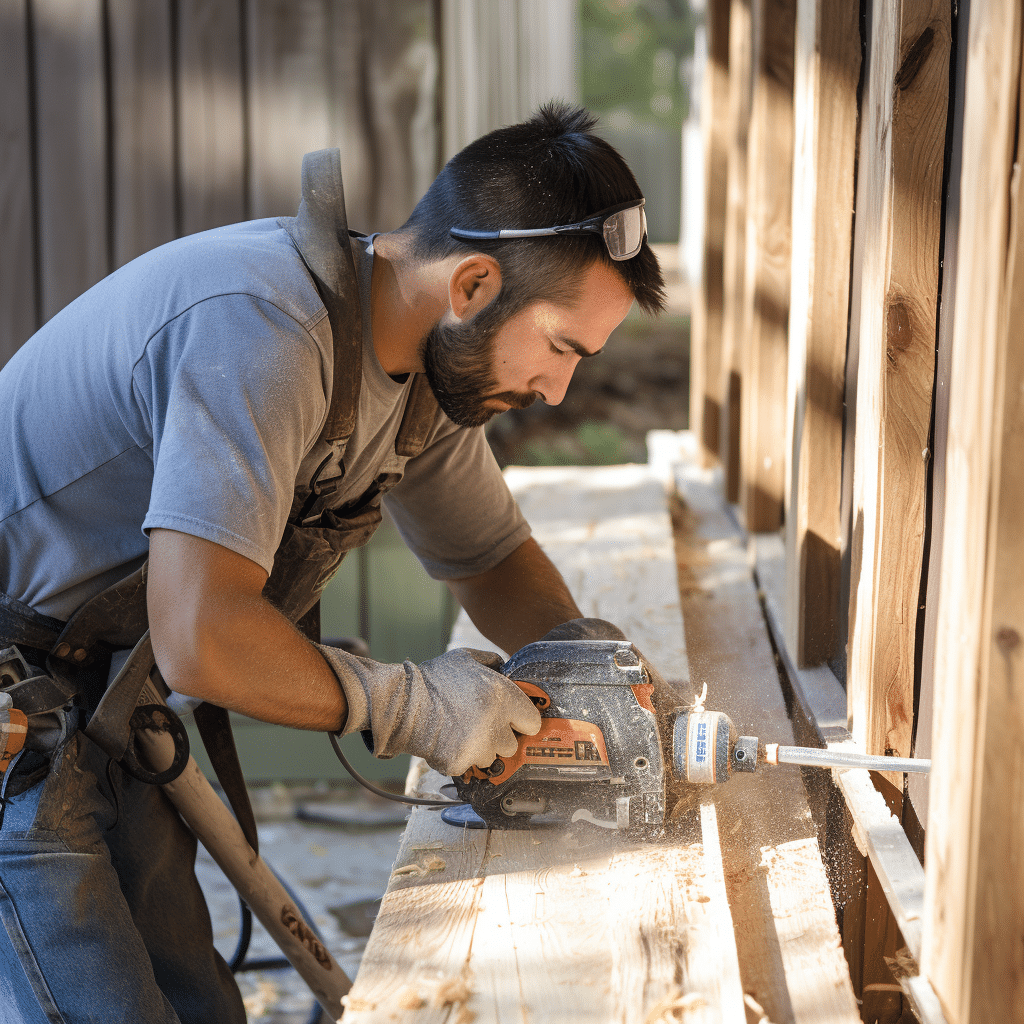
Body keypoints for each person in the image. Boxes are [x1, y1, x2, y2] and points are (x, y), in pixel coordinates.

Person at [0, 103, 666, 1023]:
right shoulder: (263, 329)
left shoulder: (424, 374)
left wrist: (597, 676)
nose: (558, 389)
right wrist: (413, 703)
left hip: (101, 694)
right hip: (15, 711)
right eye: (561, 347)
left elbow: (491, 557)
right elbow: (201, 638)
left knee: (199, 1005)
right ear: (472, 285)